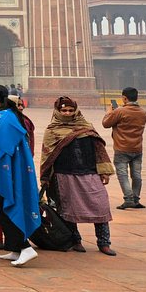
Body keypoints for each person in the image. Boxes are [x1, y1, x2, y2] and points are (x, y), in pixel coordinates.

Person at [41, 97, 116, 255]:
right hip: (64, 174)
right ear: (58, 111)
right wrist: (45, 177)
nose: (67, 113)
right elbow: (47, 156)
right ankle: (75, 240)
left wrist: (104, 171)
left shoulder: (86, 127)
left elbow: (99, 149)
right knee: (68, 208)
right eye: (64, 110)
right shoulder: (52, 130)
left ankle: (104, 242)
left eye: (70, 110)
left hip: (89, 173)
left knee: (100, 205)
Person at [0, 84, 41, 267]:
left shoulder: (2, 117)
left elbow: (1, 148)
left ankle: (25, 248)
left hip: (7, 171)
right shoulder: (7, 115)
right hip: (11, 169)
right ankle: (16, 248)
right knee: (2, 206)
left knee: (3, 206)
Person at [103, 86, 146, 210]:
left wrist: (109, 112)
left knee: (123, 174)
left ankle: (128, 199)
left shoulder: (120, 111)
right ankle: (136, 198)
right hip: (137, 148)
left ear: (124, 98)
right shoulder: (143, 112)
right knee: (137, 175)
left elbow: (106, 124)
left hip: (122, 148)